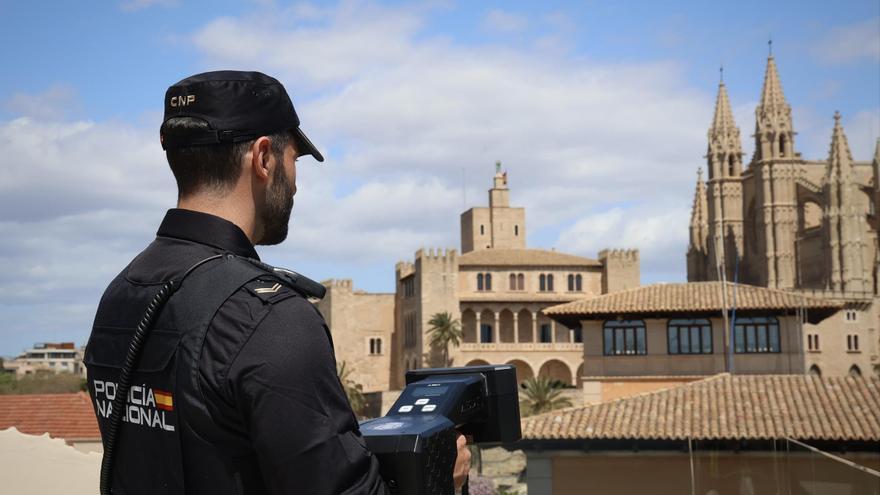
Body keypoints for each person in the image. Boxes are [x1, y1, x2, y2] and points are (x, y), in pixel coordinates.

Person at [84, 71, 471, 494]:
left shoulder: (119, 297)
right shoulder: (269, 320)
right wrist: (439, 479)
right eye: (295, 160)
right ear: (264, 158)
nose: (297, 184)